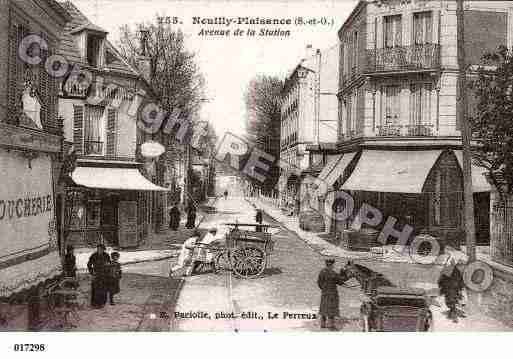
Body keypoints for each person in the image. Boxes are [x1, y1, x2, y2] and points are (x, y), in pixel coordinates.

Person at [317, 258, 349, 330]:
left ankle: (323, 324)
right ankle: (331, 326)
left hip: (325, 293)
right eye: (332, 265)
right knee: (331, 309)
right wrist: (343, 272)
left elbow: (319, 283)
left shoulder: (322, 272)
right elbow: (340, 280)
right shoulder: (333, 273)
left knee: (324, 308)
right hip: (332, 293)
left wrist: (324, 289)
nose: (332, 266)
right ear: (331, 265)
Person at [438, 258, 465, 322]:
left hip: (453, 288)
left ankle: (453, 313)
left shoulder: (456, 270)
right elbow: (441, 279)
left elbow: (460, 279)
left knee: (453, 300)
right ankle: (452, 313)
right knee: (450, 300)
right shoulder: (447, 269)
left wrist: (460, 287)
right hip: (449, 288)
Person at [87, 244, 111, 308]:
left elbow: (109, 264)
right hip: (96, 274)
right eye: (98, 249)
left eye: (101, 249)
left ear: (103, 249)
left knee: (103, 289)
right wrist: (92, 272)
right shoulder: (94, 255)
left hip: (104, 275)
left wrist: (108, 271)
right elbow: (89, 264)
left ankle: (102, 303)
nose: (99, 250)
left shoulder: (106, 255)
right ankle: (94, 303)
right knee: (95, 289)